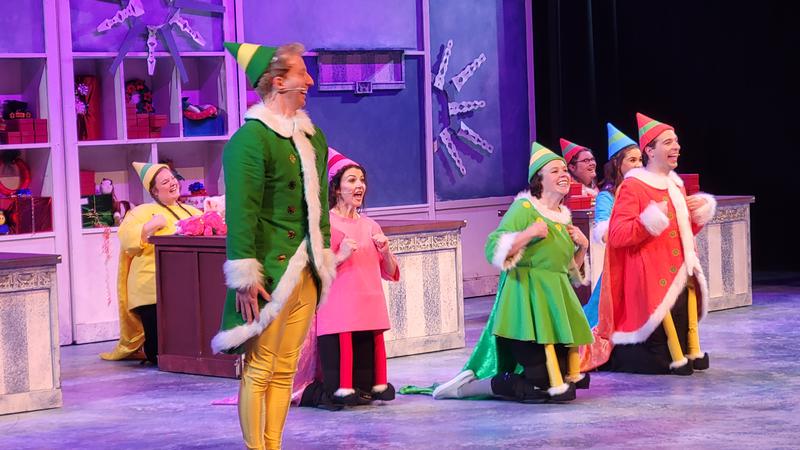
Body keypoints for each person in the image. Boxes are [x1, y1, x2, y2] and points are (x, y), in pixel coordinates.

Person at [210, 42, 335, 450]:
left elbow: (319, 210)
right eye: (302, 73)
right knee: (261, 366)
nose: (310, 80)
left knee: (286, 368)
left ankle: (274, 444)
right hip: (269, 272)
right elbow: (242, 214)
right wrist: (245, 275)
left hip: (307, 269)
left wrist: (322, 257)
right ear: (279, 82)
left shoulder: (313, 138)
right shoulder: (251, 140)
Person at [432, 143, 593, 404]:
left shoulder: (563, 217)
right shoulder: (524, 209)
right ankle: (468, 388)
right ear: (539, 180)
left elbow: (569, 273)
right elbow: (493, 248)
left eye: (565, 170)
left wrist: (582, 247)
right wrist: (528, 233)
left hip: (554, 309)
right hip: (525, 308)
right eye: (555, 171)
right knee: (539, 386)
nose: (563, 174)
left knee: (565, 384)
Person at [581, 113, 716, 375]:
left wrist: (697, 214)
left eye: (676, 141)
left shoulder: (675, 184)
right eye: (668, 142)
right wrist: (648, 221)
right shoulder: (633, 186)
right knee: (659, 359)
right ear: (650, 152)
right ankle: (613, 358)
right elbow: (617, 235)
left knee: (678, 347)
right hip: (649, 283)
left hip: (679, 276)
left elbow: (678, 232)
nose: (676, 146)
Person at [299, 149, 400, 408]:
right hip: (337, 314)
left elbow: (390, 272)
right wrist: (340, 255)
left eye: (362, 180)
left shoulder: (371, 226)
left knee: (365, 389)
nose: (360, 186)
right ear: (336, 189)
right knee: (337, 390)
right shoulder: (325, 224)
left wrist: (385, 252)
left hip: (369, 313)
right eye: (352, 180)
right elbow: (312, 270)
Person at [100, 162, 201, 364]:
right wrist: (151, 226)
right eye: (165, 182)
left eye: (172, 178)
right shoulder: (143, 211)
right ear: (154, 191)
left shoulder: (192, 211)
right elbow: (127, 239)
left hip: (186, 289)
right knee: (158, 351)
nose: (172, 183)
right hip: (151, 290)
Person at [582, 123, 642, 328]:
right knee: (605, 318)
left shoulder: (644, 191)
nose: (638, 165)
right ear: (617, 164)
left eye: (640, 160)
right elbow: (603, 231)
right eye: (632, 160)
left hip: (644, 263)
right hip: (620, 265)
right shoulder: (607, 197)